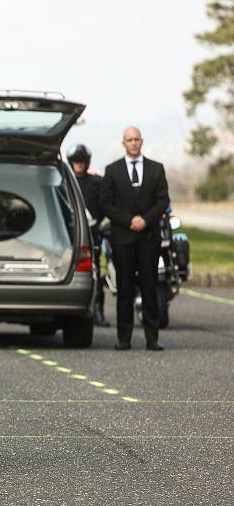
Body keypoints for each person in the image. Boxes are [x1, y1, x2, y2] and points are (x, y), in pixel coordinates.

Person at [101, 126, 170, 351]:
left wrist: (145, 220)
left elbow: (162, 201)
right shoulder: (112, 171)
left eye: (136, 139)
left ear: (142, 141)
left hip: (149, 237)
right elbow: (106, 204)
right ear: (123, 143)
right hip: (123, 238)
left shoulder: (156, 169)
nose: (133, 143)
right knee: (125, 289)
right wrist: (129, 220)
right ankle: (124, 338)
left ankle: (152, 338)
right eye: (129, 140)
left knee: (150, 287)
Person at [66, 143, 110, 327]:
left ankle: (98, 311)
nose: (79, 164)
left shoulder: (97, 183)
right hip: (68, 234)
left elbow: (106, 206)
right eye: (76, 161)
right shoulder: (62, 182)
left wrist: (101, 225)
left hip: (92, 233)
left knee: (95, 271)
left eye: (82, 161)